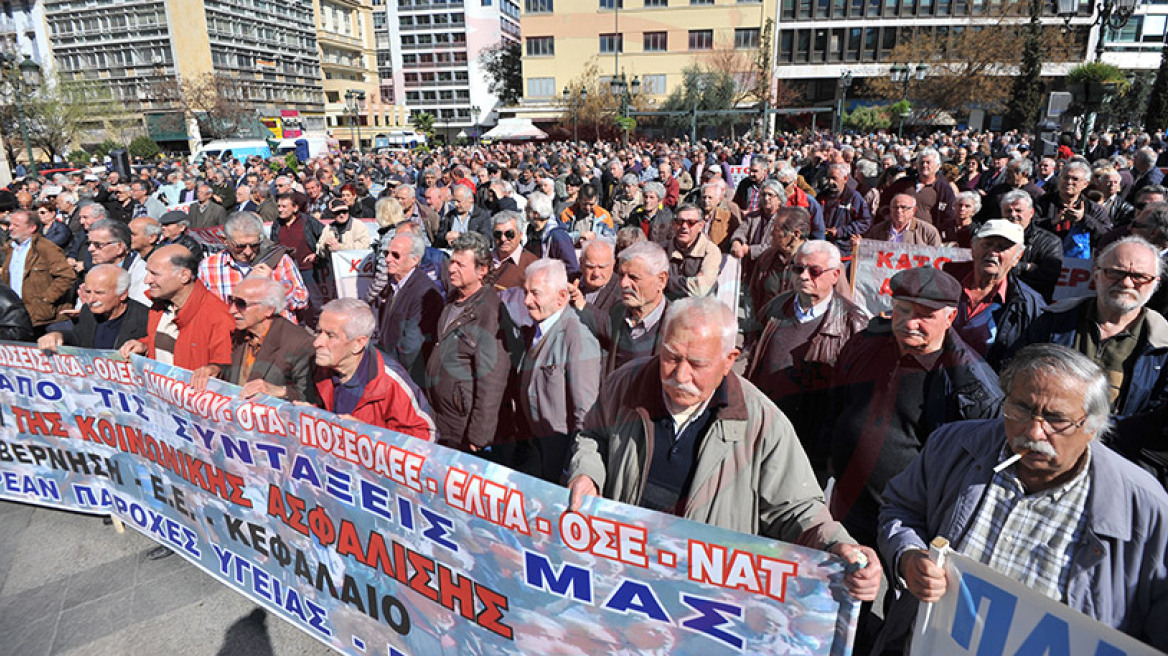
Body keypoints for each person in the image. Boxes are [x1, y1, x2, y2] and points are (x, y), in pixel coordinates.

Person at [566, 297, 881, 602]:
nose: (679, 375)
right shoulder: (625, 383)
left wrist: (839, 547)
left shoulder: (762, 421)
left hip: (702, 598)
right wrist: (587, 473)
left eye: (697, 364)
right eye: (671, 357)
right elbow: (594, 435)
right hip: (622, 577)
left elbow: (797, 509)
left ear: (729, 360)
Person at [877, 344, 1168, 653]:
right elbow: (901, 509)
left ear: (1092, 427)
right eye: (1021, 409)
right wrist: (908, 557)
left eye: (1056, 419)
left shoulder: (1144, 510)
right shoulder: (954, 446)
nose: (1033, 431)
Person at [826, 266, 1003, 547]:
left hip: (909, 526)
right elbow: (835, 407)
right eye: (903, 310)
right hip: (846, 509)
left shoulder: (971, 386)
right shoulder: (865, 344)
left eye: (925, 316)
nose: (910, 323)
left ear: (950, 317)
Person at [1010, 236, 1168, 420]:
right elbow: (1015, 374)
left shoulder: (1162, 345)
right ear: (1097, 273)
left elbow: (1158, 416)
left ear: (1155, 283)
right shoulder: (1053, 321)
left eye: (1139, 276)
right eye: (1116, 272)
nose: (1126, 283)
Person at [746, 240, 867, 479]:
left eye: (814, 271)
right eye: (798, 269)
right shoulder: (776, 307)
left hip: (813, 444)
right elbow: (751, 355)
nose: (803, 276)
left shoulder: (853, 323)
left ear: (835, 275)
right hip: (765, 429)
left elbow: (855, 398)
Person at [516, 259, 602, 482]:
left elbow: (584, 414)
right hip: (535, 452)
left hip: (558, 459)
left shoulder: (578, 339)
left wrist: (572, 468)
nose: (527, 301)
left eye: (535, 293)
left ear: (561, 297)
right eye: (526, 292)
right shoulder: (535, 329)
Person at [424, 231, 512, 452]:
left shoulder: (489, 311)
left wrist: (479, 435)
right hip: (441, 419)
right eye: (452, 262)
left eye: (460, 265)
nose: (451, 269)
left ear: (482, 270)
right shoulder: (453, 300)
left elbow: (493, 377)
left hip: (463, 429)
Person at [313, 298, 436, 440]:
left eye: (330, 335)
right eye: (318, 332)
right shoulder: (321, 367)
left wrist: (368, 433)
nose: (317, 342)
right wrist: (309, 413)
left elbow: (426, 435)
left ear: (358, 343)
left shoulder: (390, 381)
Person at [119, 245, 234, 390]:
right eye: (147, 272)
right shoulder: (160, 306)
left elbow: (228, 370)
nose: (147, 280)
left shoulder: (218, 317)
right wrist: (144, 346)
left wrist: (213, 370)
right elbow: (170, 342)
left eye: (155, 274)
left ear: (184, 276)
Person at [951, 220, 1045, 369]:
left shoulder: (1029, 304)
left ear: (1018, 257)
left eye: (1002, 247)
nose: (993, 252)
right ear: (973, 249)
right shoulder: (944, 283)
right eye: (987, 244)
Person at [219, 276, 318, 404]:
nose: (232, 310)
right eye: (231, 301)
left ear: (268, 309)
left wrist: (281, 391)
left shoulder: (299, 343)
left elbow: (313, 397)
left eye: (241, 304)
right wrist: (213, 369)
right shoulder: (239, 335)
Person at [199, 213, 309, 322]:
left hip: (276, 334)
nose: (248, 252)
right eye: (240, 246)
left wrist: (275, 285)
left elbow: (302, 301)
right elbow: (201, 309)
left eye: (254, 245)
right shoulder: (208, 267)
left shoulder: (279, 260)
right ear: (225, 241)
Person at [374, 231, 443, 386]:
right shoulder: (394, 284)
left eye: (395, 255)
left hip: (408, 378)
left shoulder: (423, 292)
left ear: (414, 260)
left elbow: (411, 348)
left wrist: (388, 371)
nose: (388, 259)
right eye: (387, 253)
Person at [598, 241, 670, 375]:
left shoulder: (677, 323)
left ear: (661, 280)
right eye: (621, 275)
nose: (623, 283)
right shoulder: (616, 313)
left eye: (633, 277)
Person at [37, 265, 148, 351]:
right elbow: (79, 338)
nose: (91, 299)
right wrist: (58, 335)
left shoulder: (144, 319)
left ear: (123, 294)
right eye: (88, 292)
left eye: (99, 293)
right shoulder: (88, 310)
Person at [0, 210, 77, 331]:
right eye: (10, 224)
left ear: (32, 228)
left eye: (16, 225)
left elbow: (67, 276)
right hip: (17, 316)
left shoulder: (46, 249)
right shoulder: (10, 249)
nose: (10, 228)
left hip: (44, 319)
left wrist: (45, 300)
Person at [1036, 160, 1111, 258]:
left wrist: (1084, 219)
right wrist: (1051, 222)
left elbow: (1106, 235)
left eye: (1075, 179)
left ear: (1085, 184)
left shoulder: (1093, 208)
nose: (1069, 182)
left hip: (1078, 264)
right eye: (1065, 177)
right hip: (1044, 257)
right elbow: (1027, 228)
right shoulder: (1042, 202)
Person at [999, 189, 1063, 303]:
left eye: (1018, 210)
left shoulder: (1050, 242)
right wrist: (1025, 267)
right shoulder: (993, 239)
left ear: (1031, 213)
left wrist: (1010, 269)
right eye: (1008, 211)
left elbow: (1048, 278)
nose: (1013, 215)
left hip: (1031, 304)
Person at [665, 203, 721, 300]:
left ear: (700, 225)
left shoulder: (711, 251)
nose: (684, 226)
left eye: (690, 222)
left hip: (700, 308)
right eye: (680, 221)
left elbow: (700, 289)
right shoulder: (662, 249)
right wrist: (690, 282)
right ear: (673, 224)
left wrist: (665, 281)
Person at [523, 191, 580, 280]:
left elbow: (572, 268)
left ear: (535, 214)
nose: (524, 210)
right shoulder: (531, 229)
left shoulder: (558, 236)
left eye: (527, 208)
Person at [819, 162, 872, 256]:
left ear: (845, 179)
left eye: (834, 178)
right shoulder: (822, 197)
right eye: (829, 178)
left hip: (844, 250)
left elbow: (864, 222)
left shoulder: (853, 198)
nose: (830, 182)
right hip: (823, 247)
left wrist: (840, 231)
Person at [570, 239, 620, 333]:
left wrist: (583, 306)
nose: (596, 273)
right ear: (581, 263)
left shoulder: (621, 290)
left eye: (602, 267)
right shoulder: (569, 280)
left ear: (613, 264)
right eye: (590, 267)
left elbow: (615, 331)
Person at [483, 210, 537, 290]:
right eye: (498, 234)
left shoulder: (532, 265)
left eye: (509, 234)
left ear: (520, 235)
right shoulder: (483, 259)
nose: (503, 239)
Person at [864, 193, 942, 245]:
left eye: (903, 207)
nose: (899, 211)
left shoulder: (928, 232)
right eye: (895, 207)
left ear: (913, 210)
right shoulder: (877, 230)